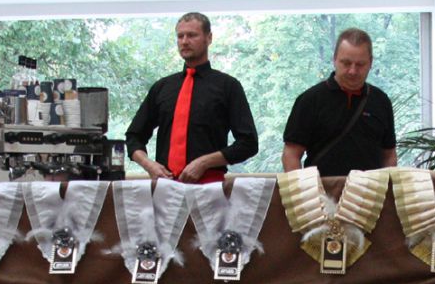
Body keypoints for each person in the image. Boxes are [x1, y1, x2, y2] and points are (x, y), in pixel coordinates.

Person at [125, 13, 257, 184]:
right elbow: (134, 136)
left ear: (209, 38)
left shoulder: (228, 86)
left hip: (210, 185)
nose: (185, 41)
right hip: (165, 184)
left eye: (192, 35)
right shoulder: (162, 87)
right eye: (180, 36)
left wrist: (205, 162)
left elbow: (248, 143)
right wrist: (149, 165)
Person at [281, 28, 398, 176]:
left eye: (360, 64)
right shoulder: (310, 100)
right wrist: (301, 189)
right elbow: (291, 155)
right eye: (346, 63)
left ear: (370, 63)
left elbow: (389, 155)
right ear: (335, 59)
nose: (352, 71)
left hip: (371, 189)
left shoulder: (381, 101)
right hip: (321, 189)